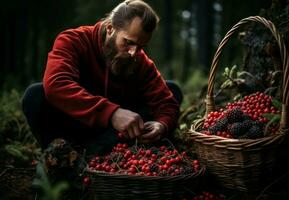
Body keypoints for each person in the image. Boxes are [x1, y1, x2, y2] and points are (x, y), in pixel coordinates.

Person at [22, 0, 182, 156]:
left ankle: (99, 154)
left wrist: (162, 124)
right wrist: (111, 113)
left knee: (172, 89)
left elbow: (166, 102)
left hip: (114, 134)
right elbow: (56, 84)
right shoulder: (73, 40)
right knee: (35, 95)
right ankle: (60, 156)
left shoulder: (139, 59)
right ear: (110, 28)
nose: (134, 52)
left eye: (140, 47)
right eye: (128, 42)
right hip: (74, 126)